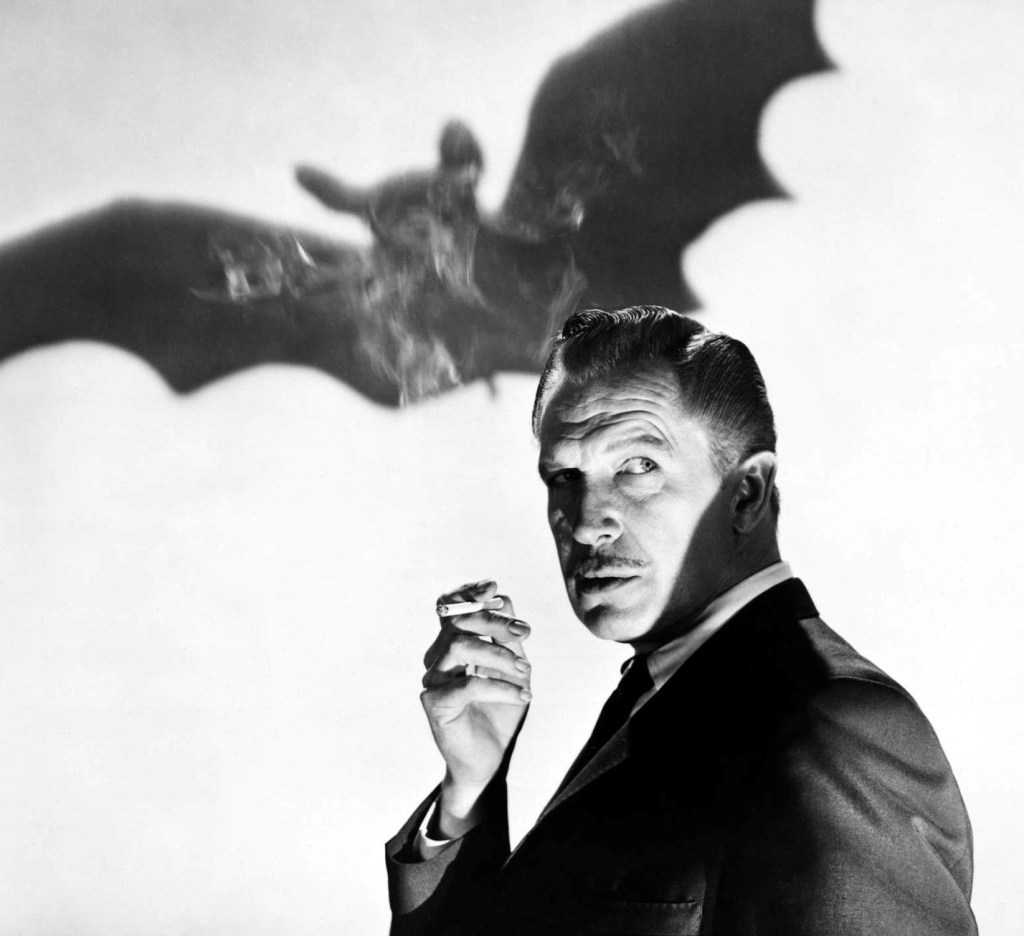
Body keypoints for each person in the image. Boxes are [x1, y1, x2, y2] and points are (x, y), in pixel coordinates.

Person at [385, 306, 977, 935]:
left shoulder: (831, 733)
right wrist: (473, 791)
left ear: (746, 494)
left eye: (639, 466)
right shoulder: (667, 693)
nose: (586, 523)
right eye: (564, 476)